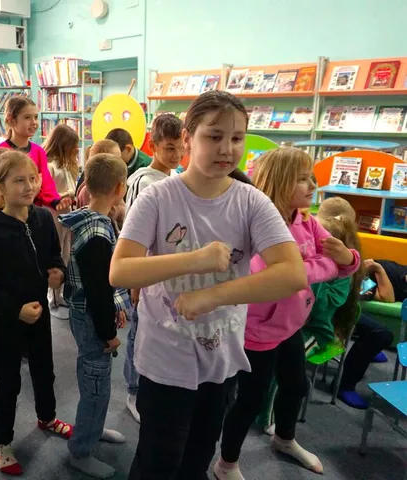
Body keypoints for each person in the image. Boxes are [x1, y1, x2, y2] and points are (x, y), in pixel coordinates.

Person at [109, 91, 308, 479]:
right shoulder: (158, 197)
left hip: (221, 359)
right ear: (188, 138)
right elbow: (120, 271)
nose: (227, 149)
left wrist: (213, 295)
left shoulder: (251, 202)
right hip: (165, 360)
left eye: (236, 138)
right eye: (214, 136)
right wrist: (195, 260)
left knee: (197, 459)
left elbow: (292, 273)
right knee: (157, 462)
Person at [215, 148, 360, 480]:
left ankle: (284, 438)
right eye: (303, 179)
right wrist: (319, 266)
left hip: (290, 325)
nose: (313, 186)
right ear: (281, 182)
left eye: (312, 178)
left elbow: (341, 264)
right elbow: (275, 276)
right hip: (256, 331)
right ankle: (226, 464)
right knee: (251, 399)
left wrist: (346, 258)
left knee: (296, 386)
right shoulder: (258, 224)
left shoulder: (306, 221)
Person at [0, 150, 73, 475]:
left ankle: (47, 417)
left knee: (44, 370)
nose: (29, 186)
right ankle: (2, 442)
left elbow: (54, 256)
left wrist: (58, 271)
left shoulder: (43, 218)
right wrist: (15, 310)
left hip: (39, 311)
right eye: (19, 180)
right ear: (0, 187)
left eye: (33, 178)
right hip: (7, 319)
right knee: (9, 382)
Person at [59, 153, 130, 478]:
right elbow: (99, 292)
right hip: (91, 319)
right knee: (96, 385)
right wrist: (108, 334)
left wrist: (113, 311)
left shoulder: (90, 219)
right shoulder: (97, 234)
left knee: (95, 380)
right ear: (119, 188)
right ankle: (81, 450)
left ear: (86, 185)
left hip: (88, 314)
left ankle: (93, 429)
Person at [122, 113, 185, 424]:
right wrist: (137, 281)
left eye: (181, 147)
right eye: (170, 148)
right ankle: (133, 392)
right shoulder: (146, 182)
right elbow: (137, 238)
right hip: (144, 273)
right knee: (139, 332)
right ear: (154, 146)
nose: (177, 154)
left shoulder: (174, 178)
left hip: (163, 272)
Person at [312, 197, 394, 409]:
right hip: (326, 315)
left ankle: (365, 349)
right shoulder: (335, 251)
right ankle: (345, 385)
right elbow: (327, 302)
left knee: (374, 329)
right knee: (380, 333)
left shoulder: (341, 251)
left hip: (338, 307)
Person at [0, 96, 72, 212]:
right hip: (9, 211)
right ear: (11, 120)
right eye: (27, 117)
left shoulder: (38, 151)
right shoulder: (1, 151)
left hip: (34, 212)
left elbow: (46, 183)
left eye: (36, 117)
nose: (34, 122)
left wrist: (56, 201)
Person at [44, 124, 80, 319]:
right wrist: (64, 195)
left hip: (67, 215)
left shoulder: (66, 165)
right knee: (55, 253)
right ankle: (53, 297)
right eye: (72, 145)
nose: (75, 149)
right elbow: (47, 194)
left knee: (66, 252)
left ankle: (61, 294)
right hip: (53, 216)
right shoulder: (50, 166)